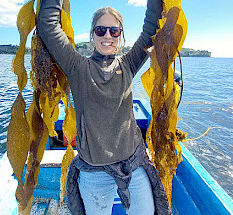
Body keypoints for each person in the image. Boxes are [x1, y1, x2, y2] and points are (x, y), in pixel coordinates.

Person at [37, 0, 171, 214]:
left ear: (120, 35)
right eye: (101, 30)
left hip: (133, 165)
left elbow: (150, 30)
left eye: (114, 31)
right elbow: (48, 25)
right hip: (94, 172)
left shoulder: (128, 64)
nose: (107, 36)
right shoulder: (77, 66)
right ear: (93, 34)